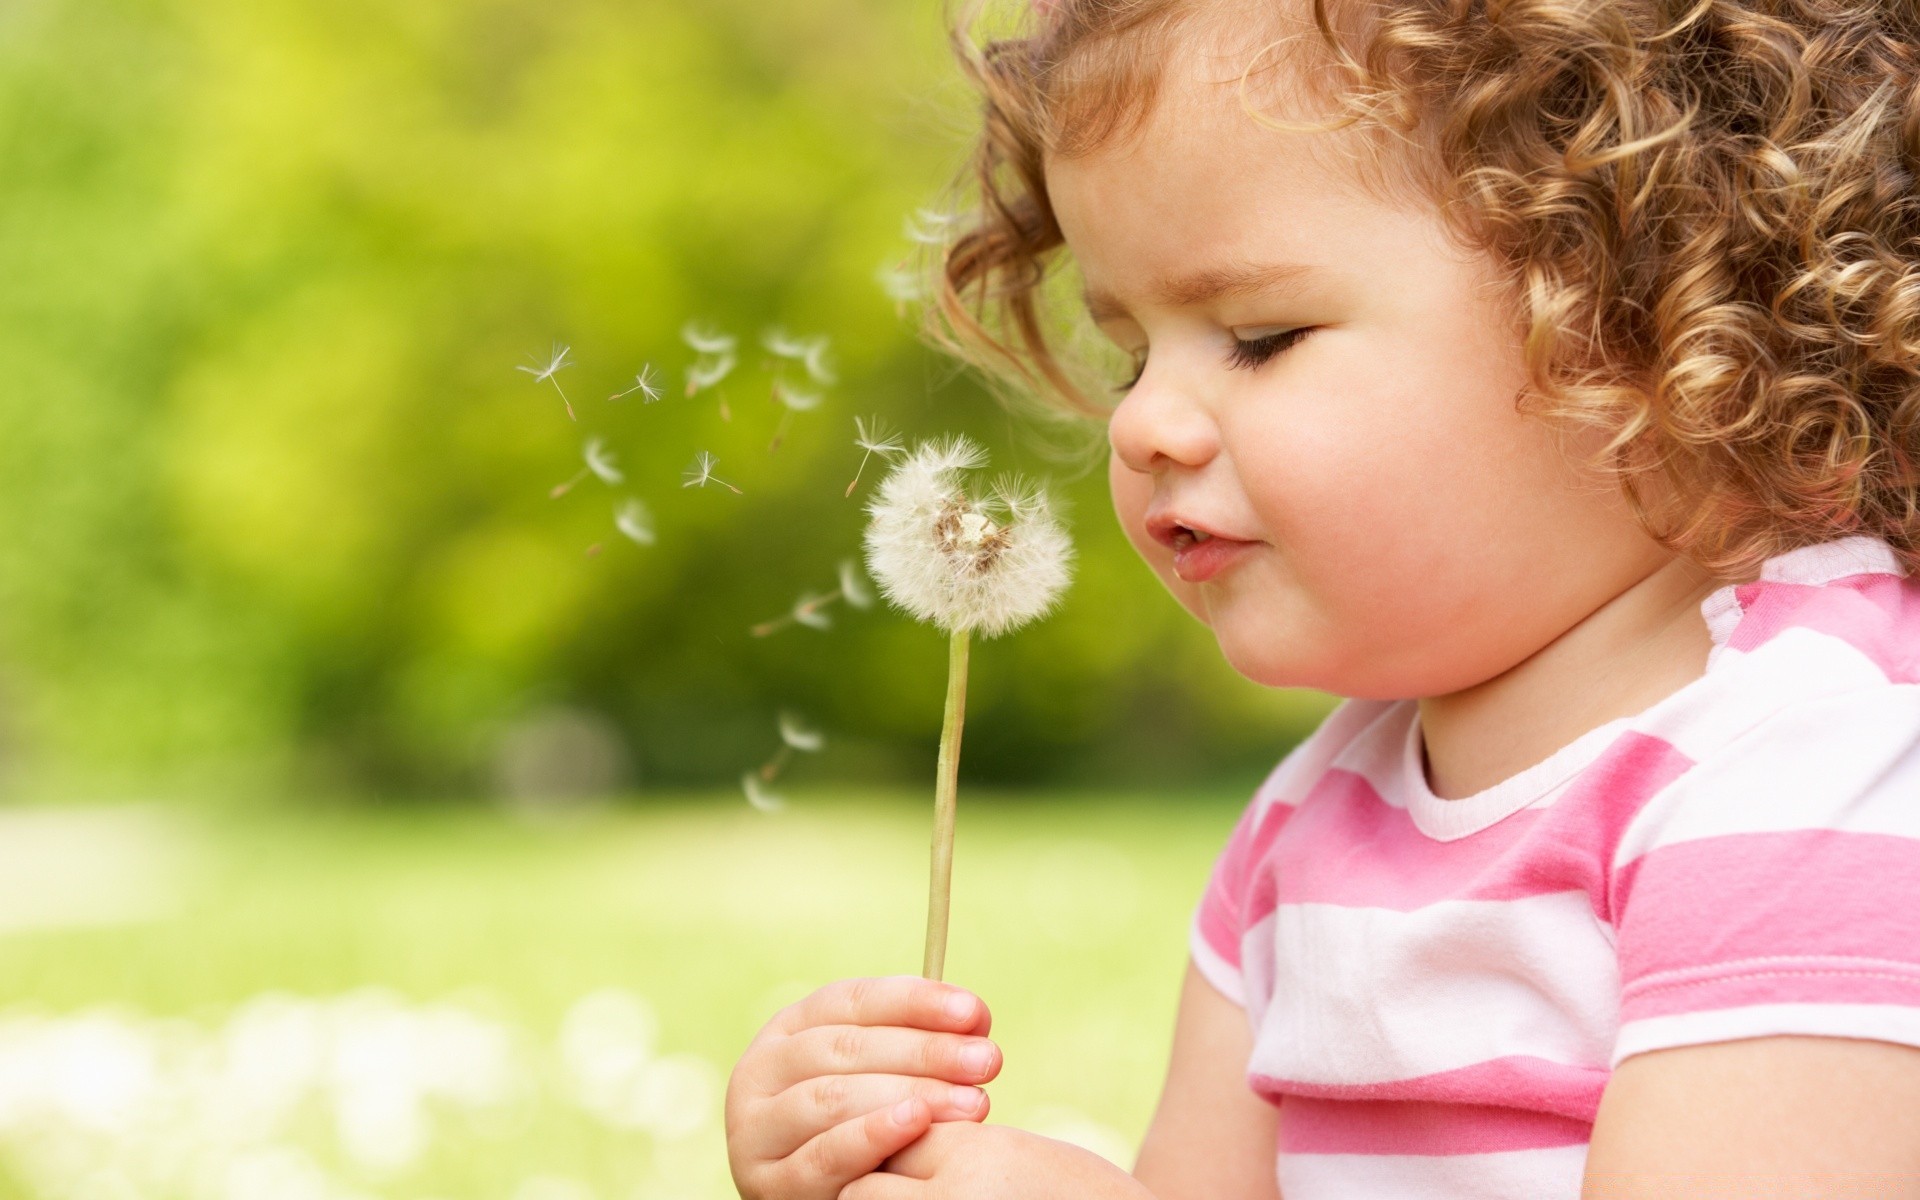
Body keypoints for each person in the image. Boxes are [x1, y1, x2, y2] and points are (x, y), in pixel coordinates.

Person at [725, 0, 1920, 1194]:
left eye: (1259, 336)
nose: (1139, 423)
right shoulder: (1311, 823)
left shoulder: (1818, 773)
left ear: (1654, 316)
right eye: (1133, 351)